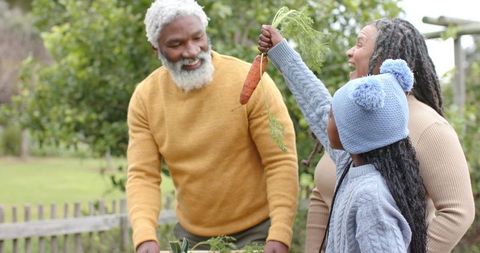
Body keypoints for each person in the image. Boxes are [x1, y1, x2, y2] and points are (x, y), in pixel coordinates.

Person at [259, 18, 475, 253]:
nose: (349, 52)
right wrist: (282, 52)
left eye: (360, 44)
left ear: (386, 58)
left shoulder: (426, 128)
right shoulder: (359, 129)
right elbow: (318, 106)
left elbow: (457, 212)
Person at [126, 1, 299, 253]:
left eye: (198, 37)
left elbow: (280, 161)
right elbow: (143, 175)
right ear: (156, 49)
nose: (192, 51)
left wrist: (280, 234)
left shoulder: (248, 79)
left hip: (259, 232)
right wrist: (144, 238)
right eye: (176, 44)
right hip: (193, 239)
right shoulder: (145, 98)